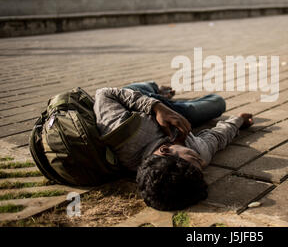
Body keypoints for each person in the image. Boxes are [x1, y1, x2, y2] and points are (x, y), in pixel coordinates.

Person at [93, 82, 253, 210]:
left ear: (165, 150)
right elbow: (217, 137)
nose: (203, 162)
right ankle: (166, 98)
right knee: (218, 103)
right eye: (200, 165)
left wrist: (156, 107)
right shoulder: (201, 155)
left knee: (141, 88)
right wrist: (238, 121)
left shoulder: (124, 134)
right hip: (180, 115)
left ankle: (156, 89)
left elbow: (104, 93)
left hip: (136, 101)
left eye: (194, 158)